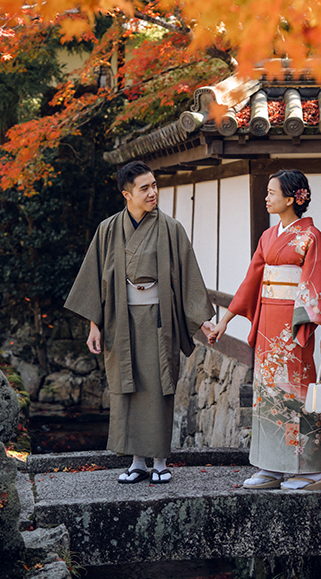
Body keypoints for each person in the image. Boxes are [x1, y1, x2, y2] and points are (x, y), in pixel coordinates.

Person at [66, 160, 215, 484]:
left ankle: (160, 461)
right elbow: (96, 280)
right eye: (144, 188)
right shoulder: (108, 229)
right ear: (126, 194)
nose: (153, 193)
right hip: (121, 320)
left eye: (154, 186)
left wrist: (202, 320)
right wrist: (95, 324)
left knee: (160, 387)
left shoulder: (171, 228)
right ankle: (136, 462)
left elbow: (188, 276)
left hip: (160, 322)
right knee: (126, 388)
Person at [208, 169, 321, 491]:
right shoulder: (268, 237)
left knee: (295, 393)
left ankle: (308, 474)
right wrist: (225, 320)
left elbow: (318, 287)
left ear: (293, 197)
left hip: (294, 327)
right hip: (268, 322)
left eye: (271, 193)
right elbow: (251, 281)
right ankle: (271, 467)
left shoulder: (311, 237)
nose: (267, 198)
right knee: (267, 396)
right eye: (266, 192)